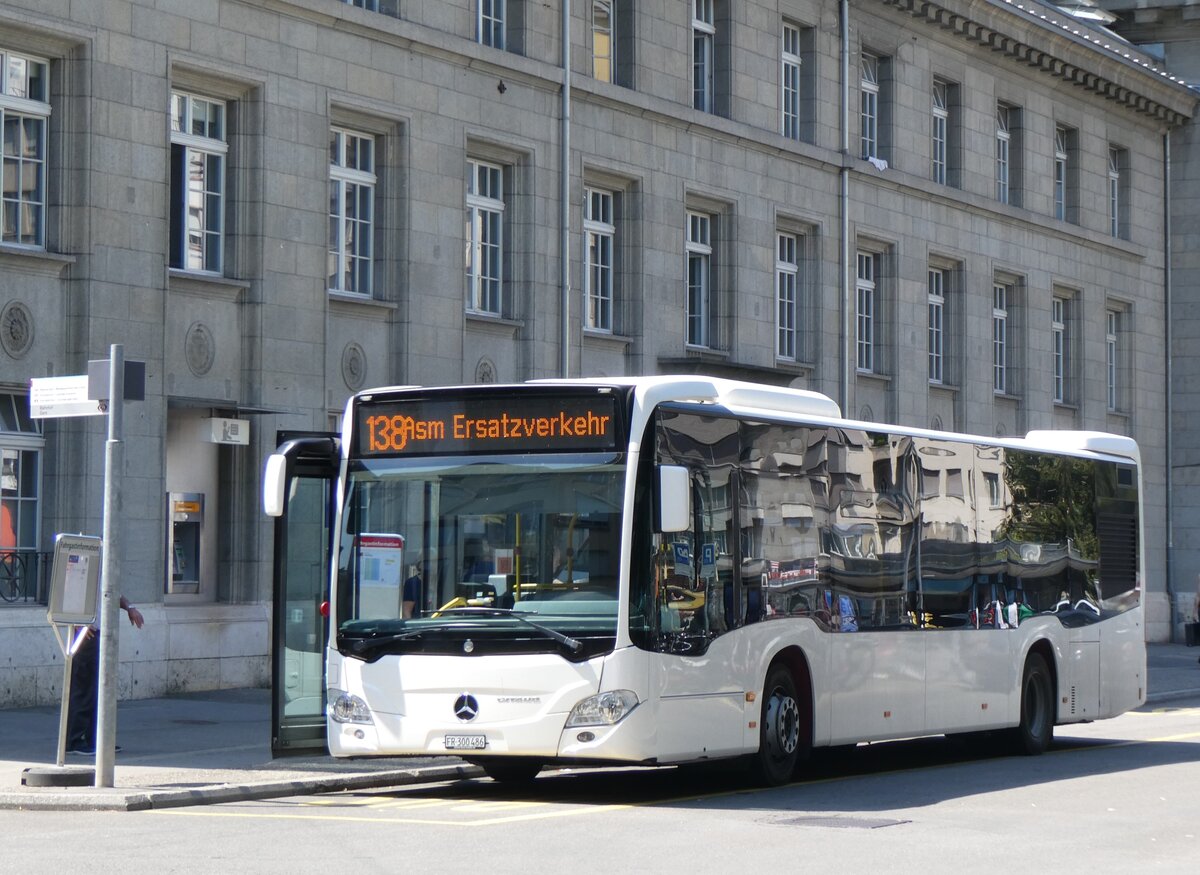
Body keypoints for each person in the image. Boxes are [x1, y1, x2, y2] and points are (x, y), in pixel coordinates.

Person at [66, 595, 144, 755]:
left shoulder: (106, 570)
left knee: (99, 690)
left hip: (101, 632)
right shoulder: (89, 569)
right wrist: (77, 621)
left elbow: (112, 594)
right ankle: (73, 740)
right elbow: (69, 593)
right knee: (85, 688)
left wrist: (130, 607)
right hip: (87, 632)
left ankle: (95, 739)